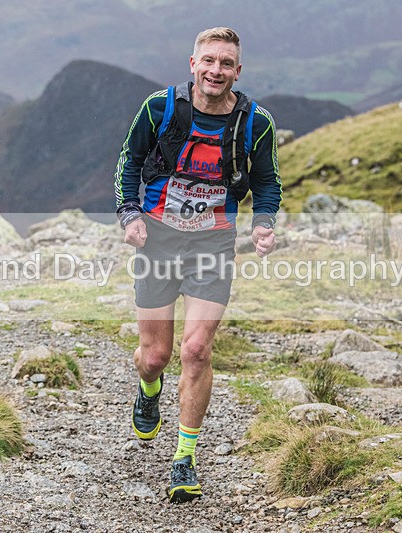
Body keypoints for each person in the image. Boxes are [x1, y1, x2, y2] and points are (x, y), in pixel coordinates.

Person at [113, 27, 281, 502]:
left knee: (198, 350)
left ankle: (184, 458)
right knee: (155, 357)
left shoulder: (255, 123)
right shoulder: (160, 108)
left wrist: (263, 223)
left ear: (238, 71)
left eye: (226, 64)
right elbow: (130, 161)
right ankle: (149, 391)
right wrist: (129, 213)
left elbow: (267, 183)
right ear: (193, 65)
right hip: (159, 242)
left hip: (213, 245)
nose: (216, 71)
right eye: (209, 61)